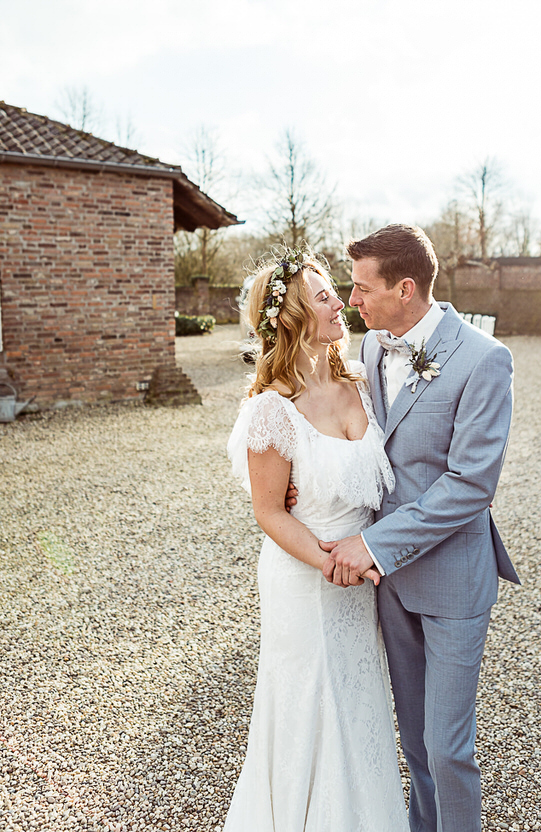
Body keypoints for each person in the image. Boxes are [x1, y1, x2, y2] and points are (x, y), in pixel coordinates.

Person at [319, 224, 521, 832]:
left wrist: (373, 543)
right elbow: (370, 446)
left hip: (454, 581)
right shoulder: (376, 347)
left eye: (361, 289)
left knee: (448, 746)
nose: (351, 302)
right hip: (391, 585)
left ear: (405, 288)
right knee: (413, 742)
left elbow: (470, 485)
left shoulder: (485, 360)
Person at [224, 248, 410, 832]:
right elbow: (269, 513)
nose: (342, 302)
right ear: (294, 317)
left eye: (334, 290)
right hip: (307, 578)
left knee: (358, 704)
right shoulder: (270, 411)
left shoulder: (362, 380)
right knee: (311, 704)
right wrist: (330, 563)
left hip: (361, 579)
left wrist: (371, 554)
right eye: (325, 295)